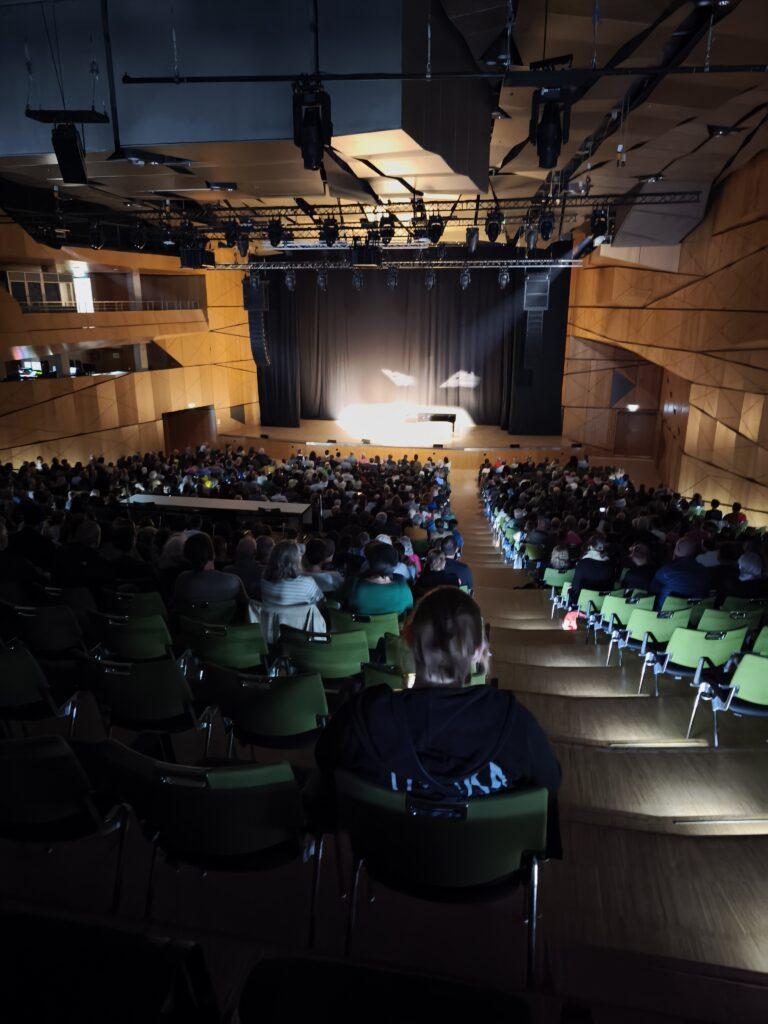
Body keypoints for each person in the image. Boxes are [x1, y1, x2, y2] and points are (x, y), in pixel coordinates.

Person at [315, 587, 561, 809]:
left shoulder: (363, 717)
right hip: (482, 856)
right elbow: (547, 787)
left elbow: (326, 764)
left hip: (383, 855)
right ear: (477, 650)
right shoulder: (516, 724)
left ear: (408, 638)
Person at [172, 532, 249, 613]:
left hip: (190, 625)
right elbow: (249, 609)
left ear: (188, 557)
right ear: (213, 554)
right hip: (225, 624)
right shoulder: (234, 581)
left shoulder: (183, 581)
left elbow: (176, 608)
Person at [345, 542, 414, 616]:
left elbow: (334, 604)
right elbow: (409, 610)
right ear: (395, 563)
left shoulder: (352, 585)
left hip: (356, 626)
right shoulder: (403, 590)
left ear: (369, 561)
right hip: (391, 627)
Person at [650, 537, 711, 609]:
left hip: (665, 613)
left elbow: (652, 591)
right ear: (693, 551)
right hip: (692, 615)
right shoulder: (704, 571)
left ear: (676, 549)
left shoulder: (665, 570)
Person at [260, 540, 324, 606]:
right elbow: (321, 604)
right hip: (300, 616)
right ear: (296, 560)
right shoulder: (307, 584)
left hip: (269, 616)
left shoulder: (264, 581)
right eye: (300, 554)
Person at [569, 534, 614, 604]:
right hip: (604, 603)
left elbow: (575, 587)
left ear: (590, 547)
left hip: (582, 602)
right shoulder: (610, 564)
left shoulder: (583, 563)